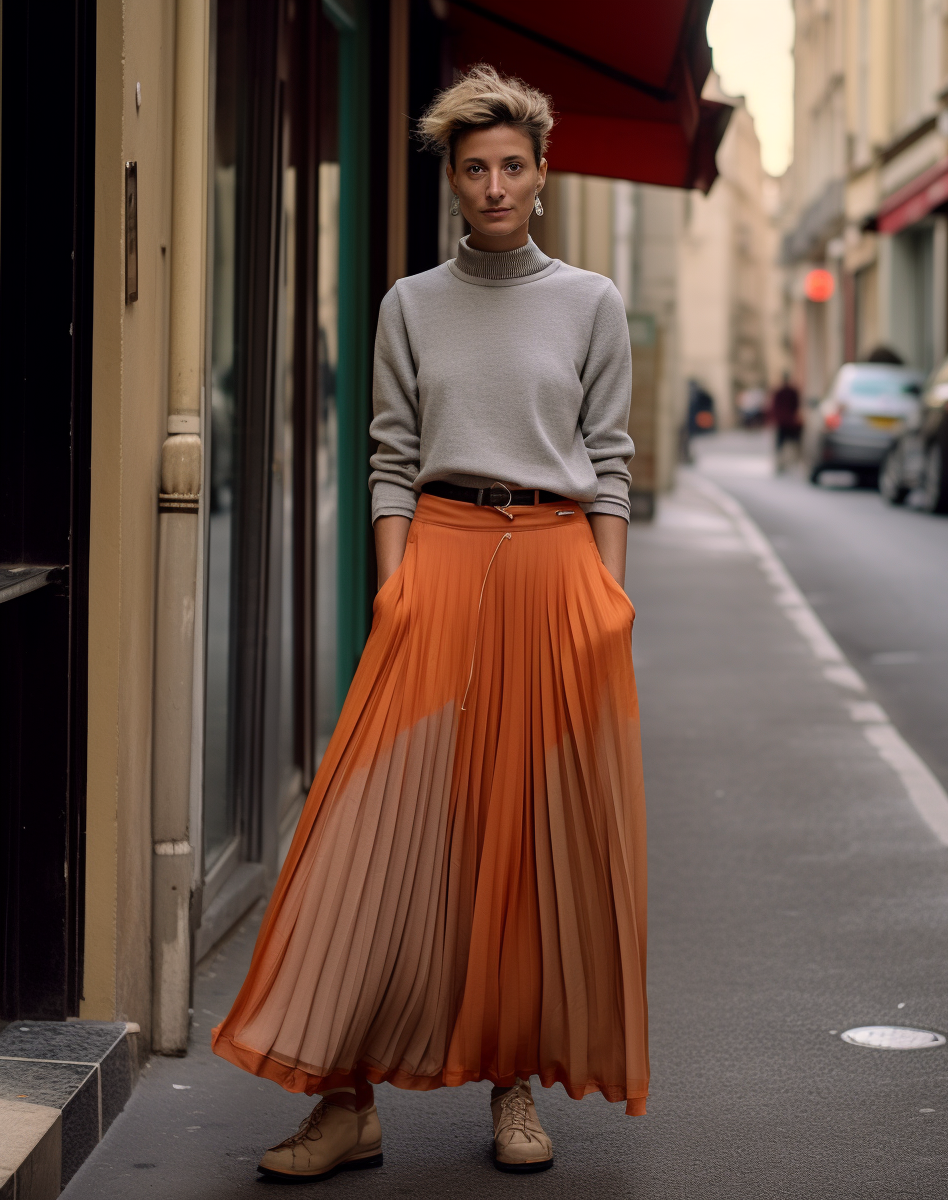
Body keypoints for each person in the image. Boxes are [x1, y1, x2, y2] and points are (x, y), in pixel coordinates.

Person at [211, 64, 649, 1180]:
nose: (494, 185)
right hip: (441, 567)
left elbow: (609, 467)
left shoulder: (592, 303)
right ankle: (345, 1100)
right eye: (474, 168)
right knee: (369, 836)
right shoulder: (410, 304)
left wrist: (610, 599)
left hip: (558, 574)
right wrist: (396, 587)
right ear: (451, 181)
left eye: (512, 165)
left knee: (523, 844)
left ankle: (513, 1090)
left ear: (542, 176)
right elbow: (390, 461)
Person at [770, 372, 801, 472]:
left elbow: (774, 407)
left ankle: (783, 464)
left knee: (781, 445)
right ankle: (788, 463)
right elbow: (796, 406)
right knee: (792, 444)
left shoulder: (781, 392)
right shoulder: (791, 392)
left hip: (783, 422)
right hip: (789, 422)